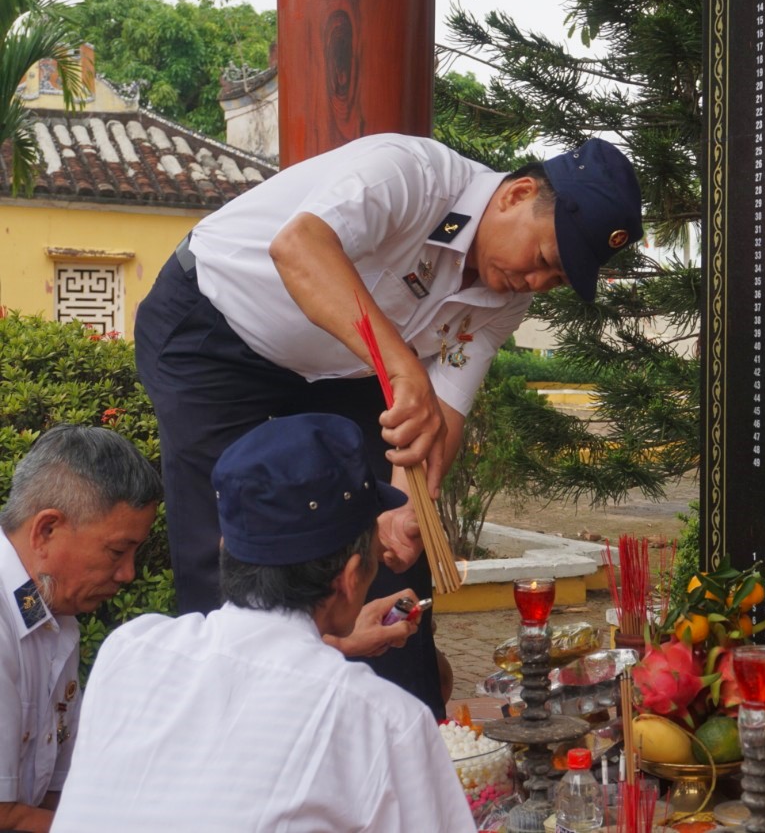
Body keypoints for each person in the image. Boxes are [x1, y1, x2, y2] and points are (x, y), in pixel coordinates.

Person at [134, 134, 643, 717]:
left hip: (340, 366)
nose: (535, 284)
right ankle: (232, 736)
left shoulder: (504, 298)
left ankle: (409, 742)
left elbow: (441, 413)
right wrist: (402, 366)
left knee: (391, 561)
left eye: (555, 282)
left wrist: (405, 506)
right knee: (232, 553)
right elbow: (298, 246)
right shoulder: (411, 175)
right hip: (214, 331)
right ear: (518, 194)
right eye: (546, 261)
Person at [51, 413, 475, 832]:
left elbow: (256, 671)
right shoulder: (384, 720)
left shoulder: (131, 649)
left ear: (226, 548)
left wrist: (339, 646)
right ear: (349, 578)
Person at [0, 425, 162, 833]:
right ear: (46, 530)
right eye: (117, 551)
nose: (128, 573)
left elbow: (57, 795)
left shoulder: (50, 616)